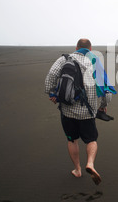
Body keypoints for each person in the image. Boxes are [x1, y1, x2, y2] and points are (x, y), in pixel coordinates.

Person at [44, 38, 112, 185]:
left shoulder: (64, 59)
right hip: (88, 112)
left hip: (67, 110)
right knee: (91, 140)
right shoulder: (94, 62)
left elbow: (51, 76)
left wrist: (51, 93)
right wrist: (103, 105)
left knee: (72, 139)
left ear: (76, 48)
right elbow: (105, 89)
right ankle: (90, 164)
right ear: (90, 49)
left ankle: (77, 169)